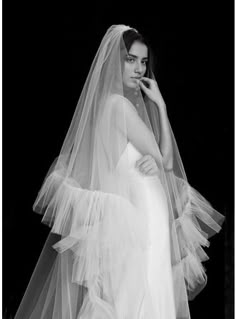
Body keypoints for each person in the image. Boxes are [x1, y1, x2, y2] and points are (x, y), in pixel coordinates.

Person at [14, 24, 225, 319]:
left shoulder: (106, 106)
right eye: (131, 60)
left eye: (143, 61)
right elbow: (165, 159)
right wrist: (161, 106)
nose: (139, 68)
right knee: (144, 289)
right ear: (115, 62)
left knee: (134, 289)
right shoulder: (121, 107)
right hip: (143, 217)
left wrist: (155, 160)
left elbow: (151, 162)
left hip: (139, 214)